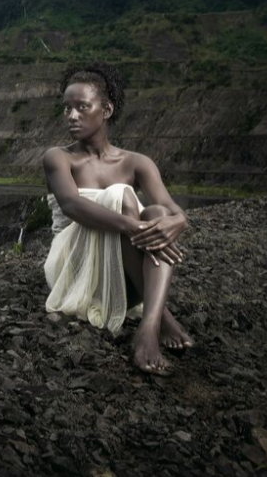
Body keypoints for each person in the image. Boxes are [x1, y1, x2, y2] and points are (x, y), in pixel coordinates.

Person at [42, 63, 193, 376]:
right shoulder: (59, 157)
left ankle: (148, 324)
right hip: (75, 268)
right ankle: (159, 321)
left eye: (82, 107)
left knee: (158, 213)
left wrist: (179, 221)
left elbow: (171, 208)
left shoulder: (137, 162)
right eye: (67, 108)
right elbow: (71, 205)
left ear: (106, 109)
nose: (71, 116)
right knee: (125, 198)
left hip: (124, 275)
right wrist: (132, 224)